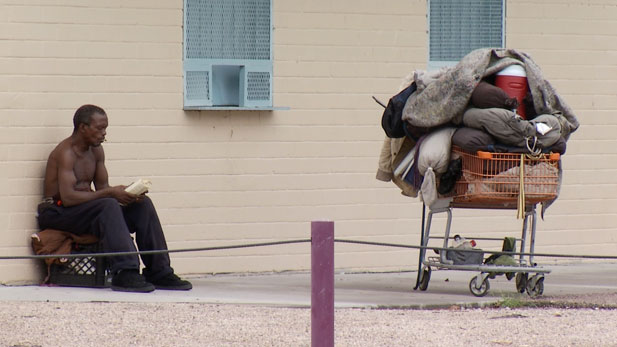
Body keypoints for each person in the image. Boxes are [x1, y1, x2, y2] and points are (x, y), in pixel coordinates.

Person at [37, 104, 192, 292]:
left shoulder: (96, 151)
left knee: (142, 206)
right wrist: (111, 193)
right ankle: (125, 272)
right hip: (59, 212)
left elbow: (102, 189)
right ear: (83, 127)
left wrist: (127, 194)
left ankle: (159, 271)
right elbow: (69, 198)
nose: (103, 133)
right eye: (99, 128)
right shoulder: (66, 152)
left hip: (87, 210)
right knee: (108, 204)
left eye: (105, 128)